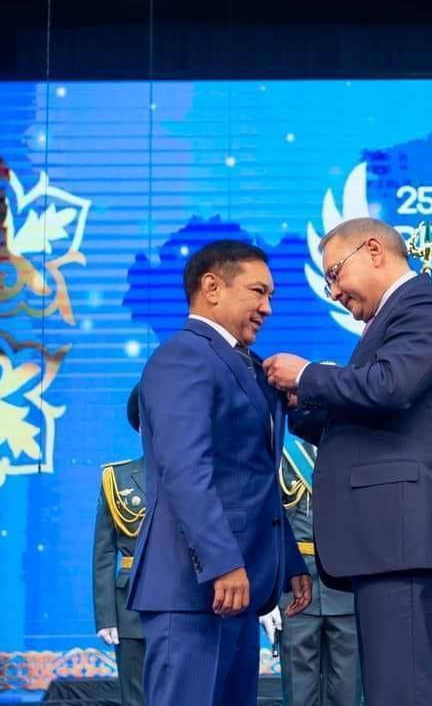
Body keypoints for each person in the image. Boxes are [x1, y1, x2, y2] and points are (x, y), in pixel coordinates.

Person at [263, 217, 432, 706]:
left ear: (373, 250)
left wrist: (308, 375)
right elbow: (369, 417)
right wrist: (302, 405)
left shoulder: (427, 303)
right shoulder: (392, 318)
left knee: (400, 692)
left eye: (334, 274)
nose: (334, 291)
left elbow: (390, 386)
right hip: (389, 542)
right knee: (393, 690)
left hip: (402, 539)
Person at [126, 240, 312, 706]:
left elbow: (251, 477)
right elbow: (186, 470)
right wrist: (222, 562)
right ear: (212, 287)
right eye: (258, 292)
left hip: (238, 587)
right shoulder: (183, 356)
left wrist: (288, 560)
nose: (267, 308)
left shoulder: (247, 365)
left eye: (271, 296)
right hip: (195, 588)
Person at [259, 437, 362, 706]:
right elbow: (267, 524)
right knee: (299, 692)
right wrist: (267, 595)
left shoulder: (356, 450)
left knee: (348, 691)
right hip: (294, 585)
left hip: (347, 587)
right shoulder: (283, 456)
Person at [92, 384, 146, 706]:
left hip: (185, 604)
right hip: (131, 604)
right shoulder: (118, 479)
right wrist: (106, 616)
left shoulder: (195, 476)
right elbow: (104, 551)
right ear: (139, 427)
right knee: (136, 697)